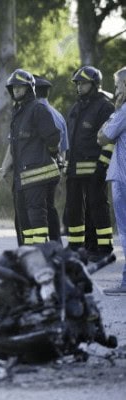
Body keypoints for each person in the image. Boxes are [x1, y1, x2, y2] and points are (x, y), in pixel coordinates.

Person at [65, 66, 115, 261]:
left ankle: (103, 247)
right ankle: (77, 247)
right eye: (77, 83)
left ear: (94, 84)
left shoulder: (105, 107)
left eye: (83, 83)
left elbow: (109, 139)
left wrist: (103, 165)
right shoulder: (76, 107)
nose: (79, 87)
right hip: (74, 168)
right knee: (74, 208)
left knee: (97, 206)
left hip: (95, 168)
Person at [6, 69, 61, 246]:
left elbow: (53, 138)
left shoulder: (37, 109)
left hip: (38, 175)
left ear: (29, 88)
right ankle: (30, 253)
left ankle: (41, 253)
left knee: (36, 217)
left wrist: (49, 154)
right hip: (22, 177)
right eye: (13, 87)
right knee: (24, 220)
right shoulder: (18, 113)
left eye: (20, 87)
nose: (16, 90)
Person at [98, 66, 126, 294]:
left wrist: (114, 113)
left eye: (117, 86)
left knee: (125, 232)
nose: (115, 91)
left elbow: (103, 136)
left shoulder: (123, 111)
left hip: (123, 178)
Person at [34, 75, 66, 244]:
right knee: (50, 206)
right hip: (54, 169)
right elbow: (64, 147)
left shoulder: (33, 113)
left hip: (36, 169)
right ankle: (56, 242)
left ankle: (41, 245)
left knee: (36, 209)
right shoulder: (58, 115)